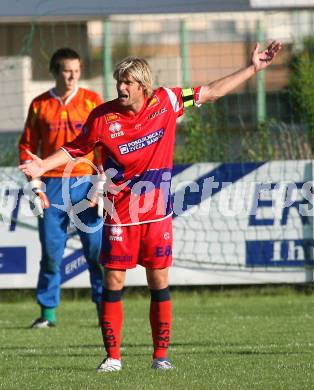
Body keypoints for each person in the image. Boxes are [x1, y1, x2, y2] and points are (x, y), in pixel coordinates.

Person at [19, 41, 282, 366]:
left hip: (156, 215)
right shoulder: (103, 116)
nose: (121, 87)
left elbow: (212, 91)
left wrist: (253, 68)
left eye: (127, 82)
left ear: (143, 85)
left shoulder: (168, 101)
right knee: (113, 280)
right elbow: (76, 147)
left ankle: (161, 357)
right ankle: (113, 358)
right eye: (119, 81)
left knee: (158, 281)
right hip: (119, 214)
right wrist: (42, 166)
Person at [19, 48, 104, 328]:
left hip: (86, 183)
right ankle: (48, 314)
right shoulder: (39, 105)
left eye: (77, 70)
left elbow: (104, 143)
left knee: (96, 251)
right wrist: (35, 186)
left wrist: (102, 183)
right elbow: (27, 147)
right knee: (52, 253)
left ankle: (106, 311)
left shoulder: (92, 101)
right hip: (52, 185)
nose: (72, 76)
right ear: (55, 71)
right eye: (67, 70)